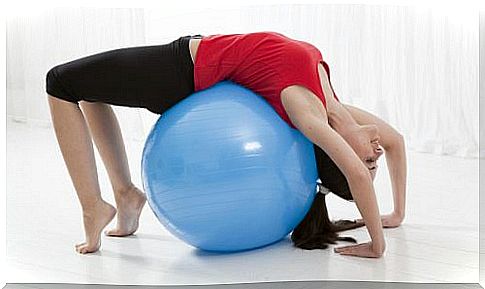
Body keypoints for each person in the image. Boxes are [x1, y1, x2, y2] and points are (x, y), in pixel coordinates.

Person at [45, 31, 407, 257]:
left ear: (338, 153)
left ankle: (93, 207)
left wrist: (376, 245)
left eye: (367, 162)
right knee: (89, 88)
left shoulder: (307, 113)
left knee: (60, 82)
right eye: (374, 161)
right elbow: (397, 142)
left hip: (183, 71)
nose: (375, 153)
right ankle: (125, 194)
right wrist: (396, 214)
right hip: (193, 58)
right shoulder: (332, 103)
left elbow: (356, 174)